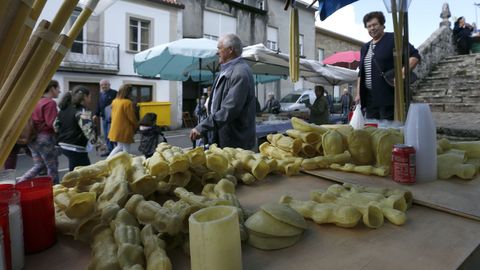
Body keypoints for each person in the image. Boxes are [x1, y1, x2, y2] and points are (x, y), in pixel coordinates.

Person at [189, 33, 256, 149]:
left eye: (219, 48)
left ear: (230, 50)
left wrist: (203, 127)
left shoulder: (240, 72)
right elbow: (216, 104)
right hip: (223, 138)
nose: (217, 52)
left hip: (234, 142)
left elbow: (230, 109)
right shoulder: (225, 71)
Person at [355, 11, 421, 120]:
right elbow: (361, 73)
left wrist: (401, 74)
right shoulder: (365, 47)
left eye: (375, 24)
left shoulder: (394, 38)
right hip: (369, 99)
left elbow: (414, 56)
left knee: (388, 131)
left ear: (382, 25)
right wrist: (358, 94)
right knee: (371, 130)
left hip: (389, 97)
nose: (372, 28)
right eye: (369, 26)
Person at [19, 80, 61, 184]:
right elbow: (52, 124)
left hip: (32, 138)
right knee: (52, 167)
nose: (59, 91)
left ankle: (20, 182)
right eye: (58, 88)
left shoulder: (35, 101)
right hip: (45, 139)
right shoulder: (50, 103)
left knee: (39, 165)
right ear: (52, 88)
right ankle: (54, 190)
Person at [55, 86, 103, 171]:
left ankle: (70, 183)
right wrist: (100, 145)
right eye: (90, 97)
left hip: (63, 144)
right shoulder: (82, 111)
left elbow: (55, 126)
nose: (90, 100)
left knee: (74, 169)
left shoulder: (64, 108)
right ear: (85, 96)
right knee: (84, 172)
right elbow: (89, 131)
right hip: (75, 147)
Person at [107, 84, 138, 158]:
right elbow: (131, 118)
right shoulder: (127, 103)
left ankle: (107, 161)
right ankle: (123, 164)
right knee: (126, 149)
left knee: (119, 146)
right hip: (125, 129)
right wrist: (136, 125)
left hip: (116, 128)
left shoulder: (115, 101)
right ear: (128, 93)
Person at [95, 79, 117, 157]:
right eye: (102, 85)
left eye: (105, 84)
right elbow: (98, 104)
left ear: (109, 85)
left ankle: (119, 148)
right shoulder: (100, 94)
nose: (103, 86)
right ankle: (110, 150)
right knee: (106, 135)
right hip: (104, 117)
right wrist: (96, 114)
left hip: (112, 118)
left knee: (112, 134)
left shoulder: (114, 93)